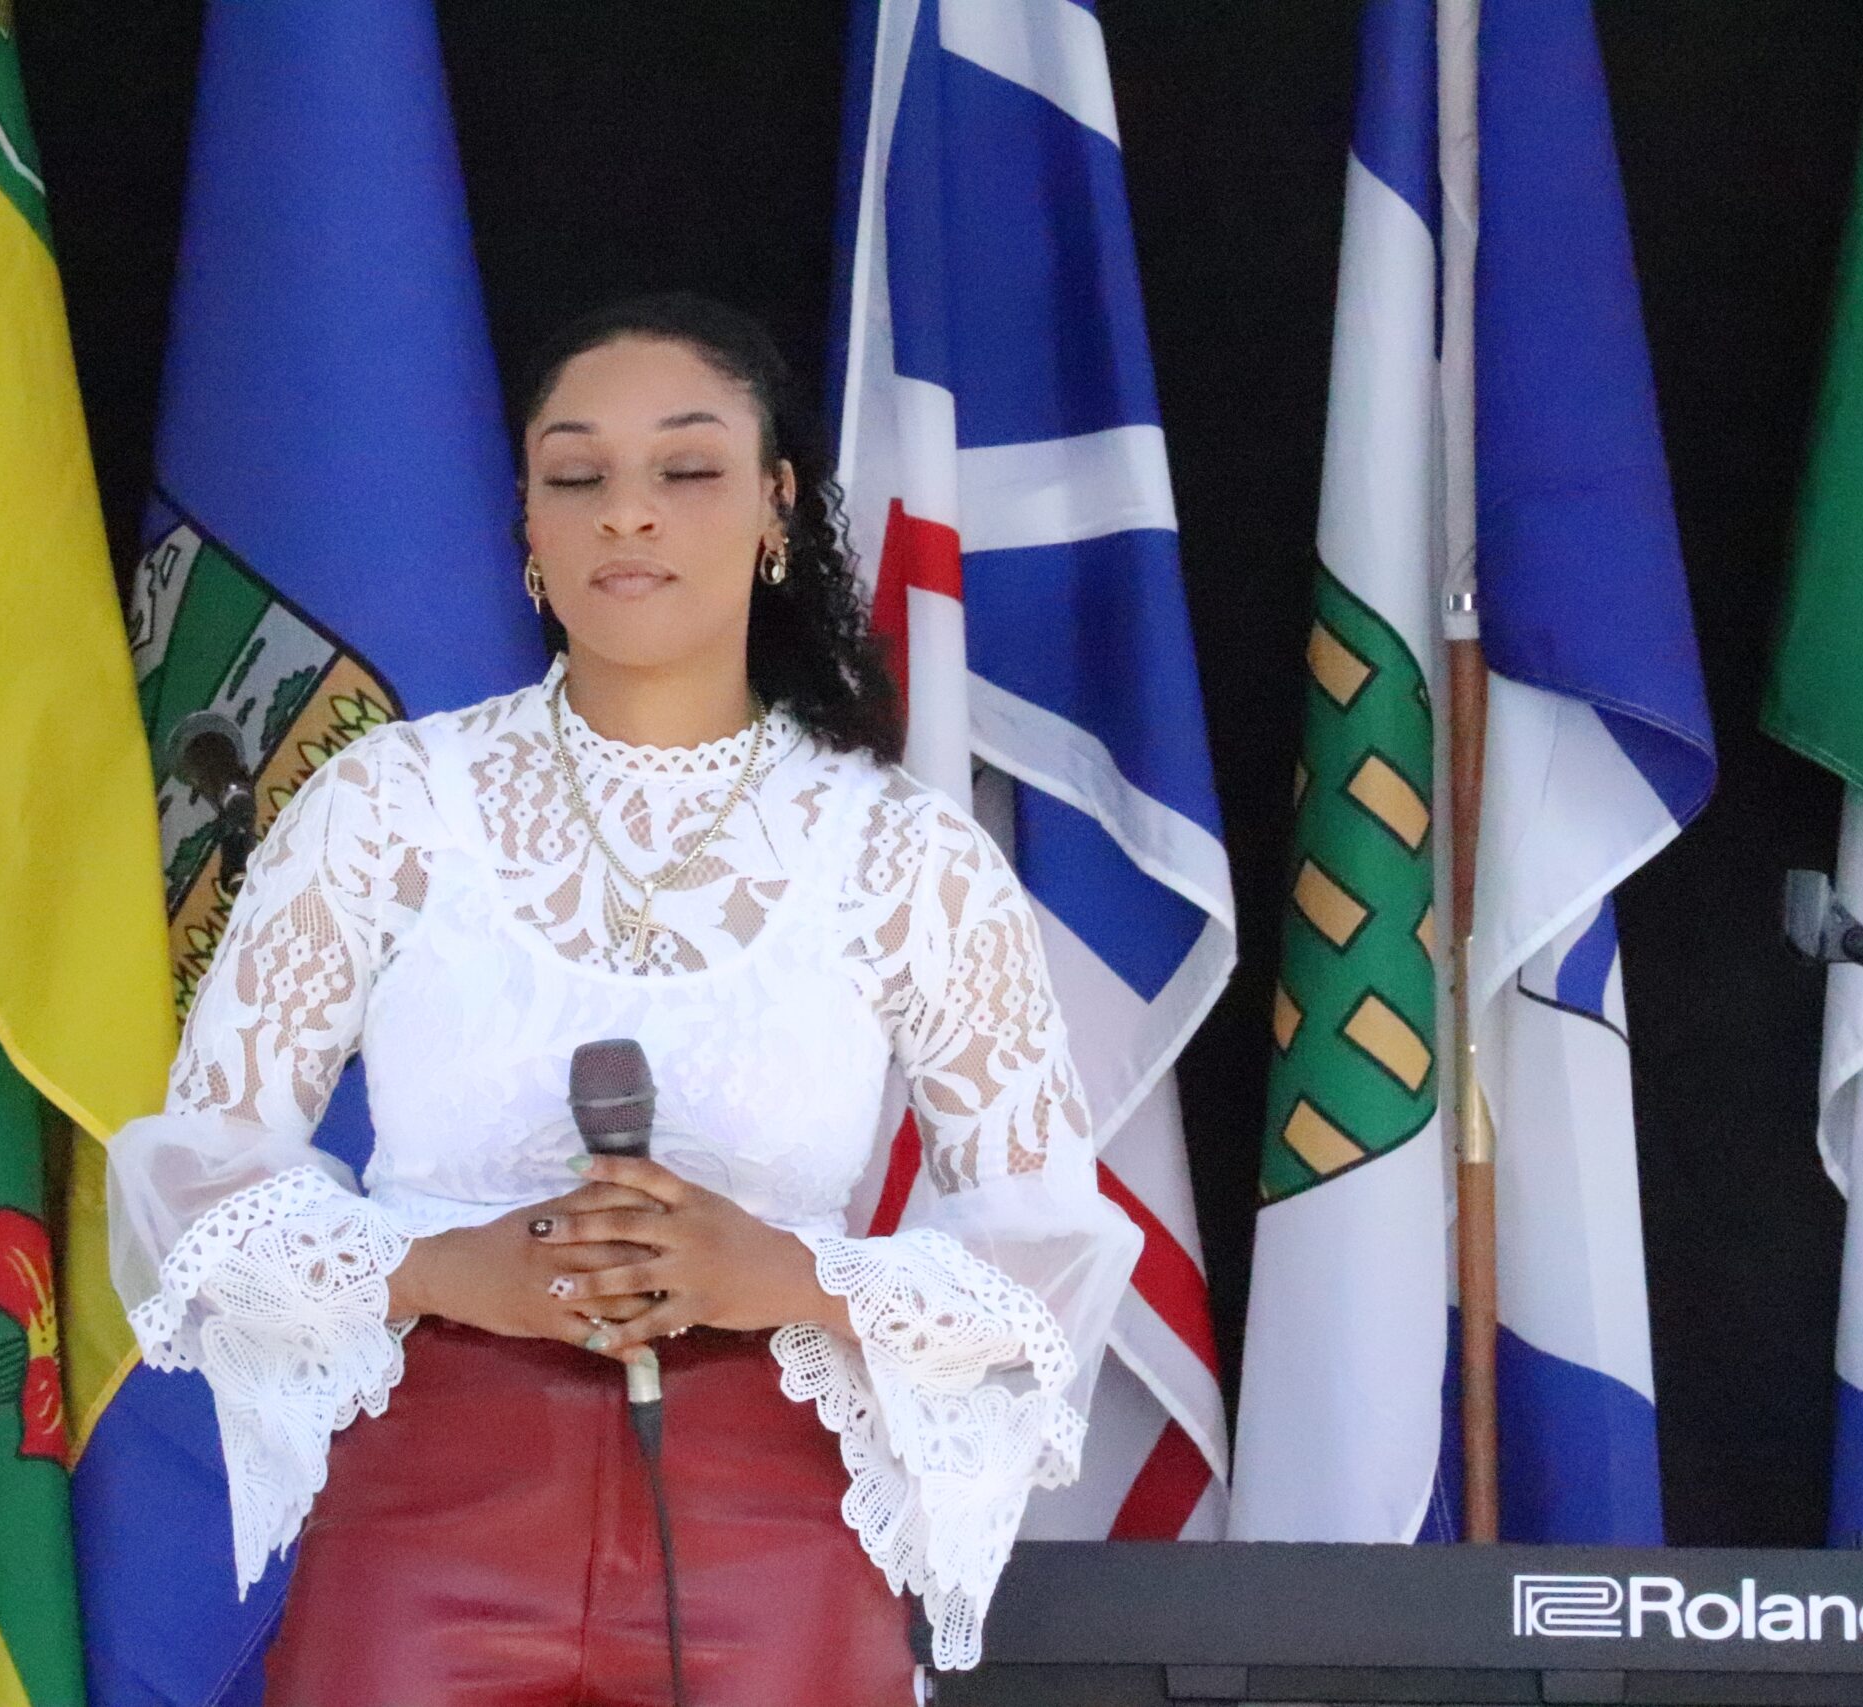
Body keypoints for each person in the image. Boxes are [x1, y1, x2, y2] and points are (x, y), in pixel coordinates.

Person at [104, 292, 1142, 1706]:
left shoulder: (903, 851)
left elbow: (1044, 1254)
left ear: (778, 510)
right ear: (528, 529)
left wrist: (777, 1273)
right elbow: (195, 1181)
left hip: (774, 1528)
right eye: (577, 476)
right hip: (427, 1506)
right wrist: (446, 1270)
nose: (629, 513)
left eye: (688, 468)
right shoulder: (391, 802)